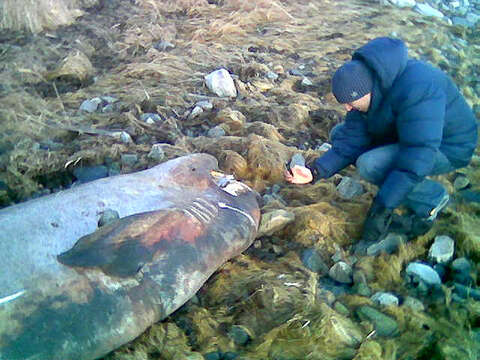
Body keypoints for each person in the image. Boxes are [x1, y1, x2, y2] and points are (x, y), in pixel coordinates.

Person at [285, 36, 478, 242]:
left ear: (367, 91)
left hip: (449, 146)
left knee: (370, 164)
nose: (347, 108)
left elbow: (417, 155)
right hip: (408, 132)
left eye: (350, 102)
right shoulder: (371, 84)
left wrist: (382, 207)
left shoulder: (418, 89)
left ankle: (432, 197)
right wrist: (315, 171)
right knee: (340, 133)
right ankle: (403, 184)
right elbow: (351, 140)